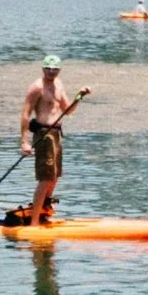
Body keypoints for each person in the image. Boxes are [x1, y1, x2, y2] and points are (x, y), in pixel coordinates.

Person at [11, 54, 90, 225]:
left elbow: (67, 111)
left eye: (54, 69)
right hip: (43, 135)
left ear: (59, 70)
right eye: (48, 68)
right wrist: (24, 142)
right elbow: (25, 115)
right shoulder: (36, 87)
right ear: (43, 68)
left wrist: (79, 96)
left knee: (55, 176)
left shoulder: (59, 84)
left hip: (56, 134)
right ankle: (33, 223)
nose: (51, 72)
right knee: (45, 178)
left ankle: (43, 211)